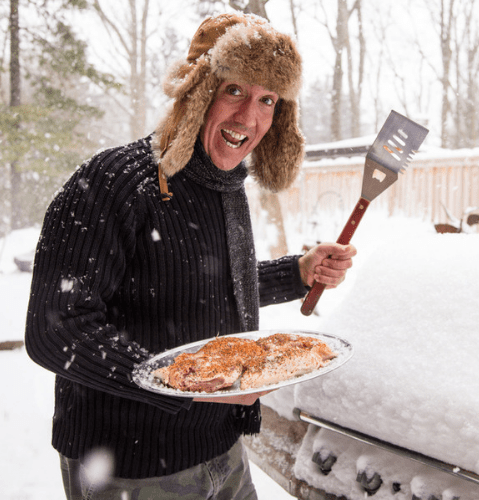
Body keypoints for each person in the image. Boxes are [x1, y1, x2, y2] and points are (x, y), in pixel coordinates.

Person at [24, 12, 356, 500]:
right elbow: (56, 329)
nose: (250, 117)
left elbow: (198, 285)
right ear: (199, 89)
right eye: (235, 90)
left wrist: (297, 273)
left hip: (222, 451)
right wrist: (189, 383)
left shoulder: (225, 189)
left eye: (268, 99)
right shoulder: (114, 181)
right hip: (128, 465)